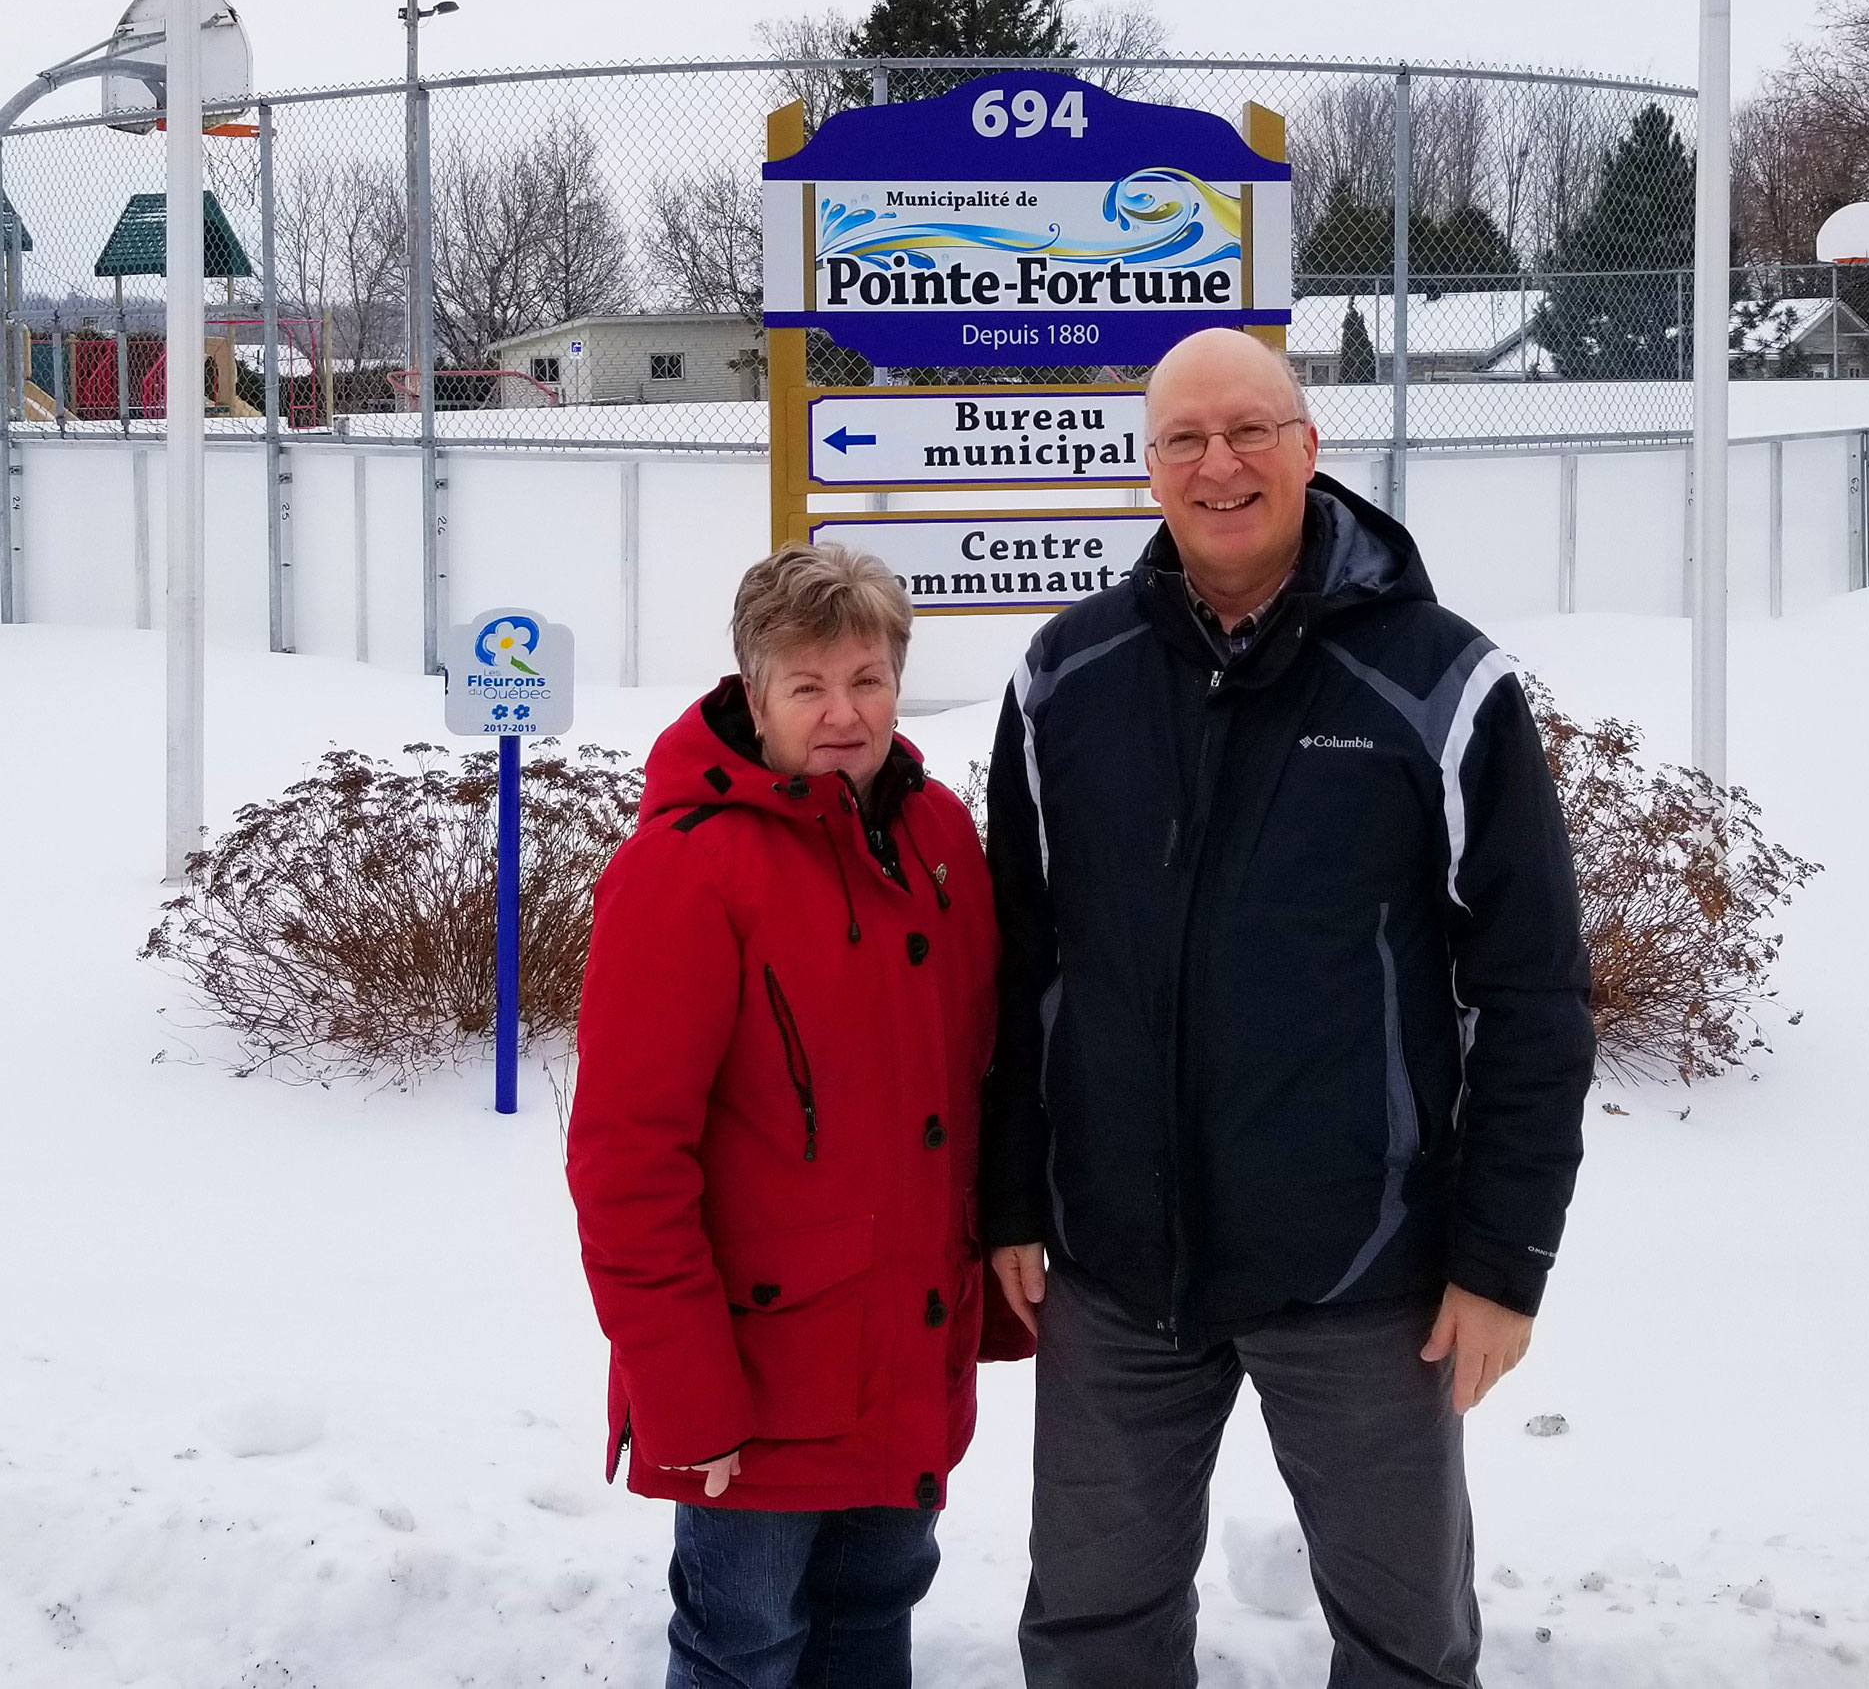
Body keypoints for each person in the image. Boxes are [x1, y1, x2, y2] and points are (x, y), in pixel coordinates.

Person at [982, 328, 1595, 1688]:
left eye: (1251, 429)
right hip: (1115, 1266)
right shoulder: (1064, 679)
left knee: (1403, 1640)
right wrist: (1014, 1203)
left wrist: (1502, 1259)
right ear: (1148, 471)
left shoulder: (1440, 681)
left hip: (1364, 1272)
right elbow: (1014, 967)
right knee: (1091, 1631)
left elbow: (1531, 984)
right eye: (1186, 438)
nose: (1221, 463)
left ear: (1310, 448)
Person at [567, 542, 1031, 1689]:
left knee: (870, 1623)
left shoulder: (935, 842)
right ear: (753, 693)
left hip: (900, 1349)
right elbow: (626, 1160)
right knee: (744, 1646)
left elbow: (975, 1079)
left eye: (866, 680)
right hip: (754, 1381)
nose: (842, 713)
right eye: (808, 686)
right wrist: (682, 1392)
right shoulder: (686, 870)